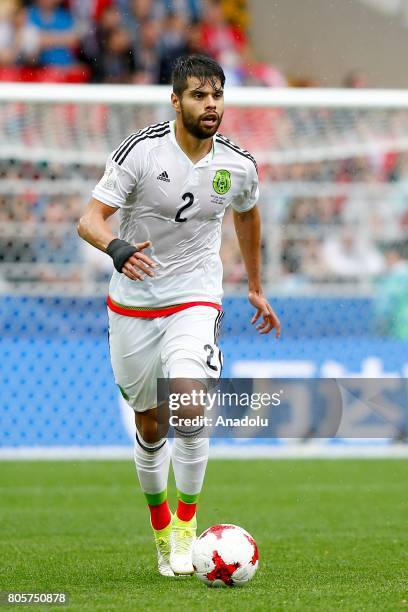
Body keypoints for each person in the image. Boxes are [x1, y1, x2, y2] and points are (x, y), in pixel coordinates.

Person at [77, 54, 280, 577]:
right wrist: (117, 247)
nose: (209, 105)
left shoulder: (237, 165)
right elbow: (89, 220)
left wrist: (255, 287)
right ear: (176, 100)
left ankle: (187, 531)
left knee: (188, 404)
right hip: (133, 302)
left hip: (195, 296)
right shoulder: (141, 152)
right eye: (198, 95)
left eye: (216, 95)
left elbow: (248, 213)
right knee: (149, 423)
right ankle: (162, 528)